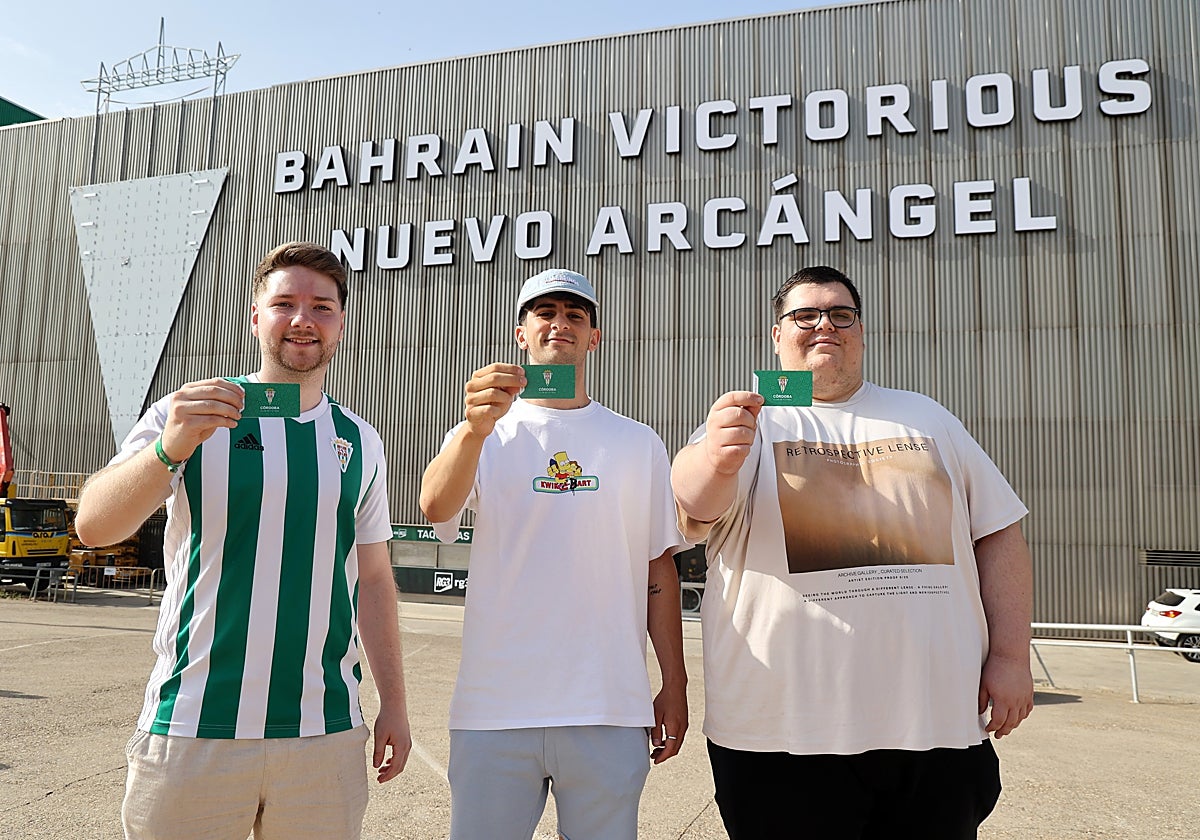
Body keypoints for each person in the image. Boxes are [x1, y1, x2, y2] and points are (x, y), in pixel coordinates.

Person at [672, 266, 1033, 839]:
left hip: (932, 727)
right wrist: (716, 456)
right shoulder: (752, 421)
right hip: (781, 735)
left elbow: (998, 532)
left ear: (860, 332)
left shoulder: (927, 417)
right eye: (805, 315)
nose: (825, 326)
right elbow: (693, 504)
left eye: (841, 315)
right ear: (777, 335)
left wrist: (1012, 657)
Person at [75, 242, 411, 840]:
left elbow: (375, 581)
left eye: (322, 306)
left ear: (341, 322)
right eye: (284, 303)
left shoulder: (360, 441)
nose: (303, 319)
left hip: (323, 732)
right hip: (192, 727)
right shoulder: (189, 412)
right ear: (255, 316)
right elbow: (95, 527)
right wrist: (167, 448)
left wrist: (396, 703)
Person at [419, 268, 689, 840]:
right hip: (495, 708)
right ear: (521, 332)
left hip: (608, 707)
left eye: (575, 315)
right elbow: (436, 510)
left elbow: (656, 569)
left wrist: (675, 684)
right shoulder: (481, 432)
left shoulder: (637, 442)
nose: (559, 323)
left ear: (594, 337)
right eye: (545, 312)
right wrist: (472, 432)